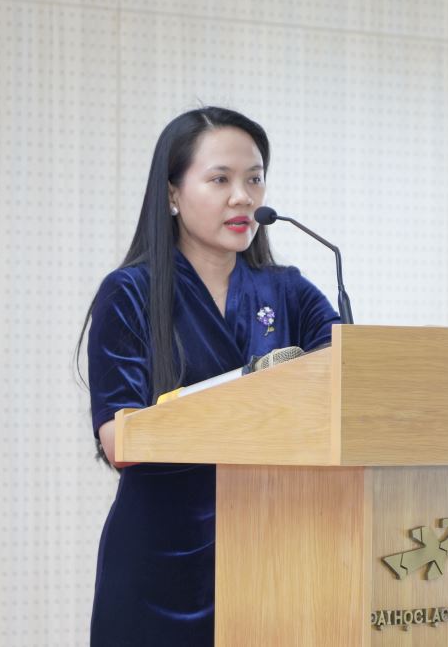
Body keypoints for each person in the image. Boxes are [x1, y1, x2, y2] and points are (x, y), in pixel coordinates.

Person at [76, 106, 340, 645]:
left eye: (254, 179)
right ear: (172, 194)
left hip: (273, 547)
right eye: (220, 179)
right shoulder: (130, 293)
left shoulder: (288, 291)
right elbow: (120, 439)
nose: (243, 197)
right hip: (161, 557)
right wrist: (250, 406)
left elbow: (352, 378)